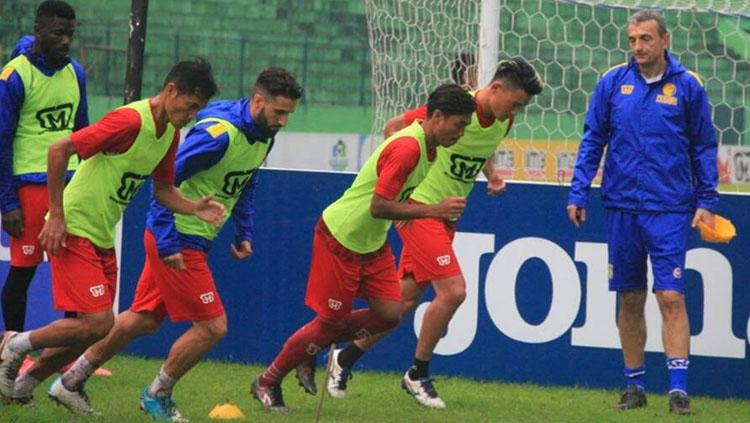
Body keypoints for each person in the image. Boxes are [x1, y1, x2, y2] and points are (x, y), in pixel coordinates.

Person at [42, 67, 304, 419]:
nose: (284, 121)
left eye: (288, 114)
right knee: (213, 327)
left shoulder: (263, 133)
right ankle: (157, 393)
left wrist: (244, 232)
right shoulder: (217, 135)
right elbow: (163, 186)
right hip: (178, 238)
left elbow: (244, 183)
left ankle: (71, 381)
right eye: (279, 112)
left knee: (142, 320)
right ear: (259, 101)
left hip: (192, 237)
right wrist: (168, 242)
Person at [0, 58, 224, 408]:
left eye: (200, 109)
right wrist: (56, 215)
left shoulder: (169, 134)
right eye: (191, 105)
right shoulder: (130, 120)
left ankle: (23, 385)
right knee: (99, 321)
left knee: (97, 329)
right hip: (74, 228)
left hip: (101, 235)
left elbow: (163, 190)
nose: (192, 114)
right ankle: (15, 344)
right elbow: (59, 150)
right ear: (170, 91)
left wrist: (194, 207)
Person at [325, 58, 543, 408]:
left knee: (403, 302)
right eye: (514, 103)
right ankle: (417, 373)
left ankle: (344, 357)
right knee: (454, 291)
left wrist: (493, 174)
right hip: (420, 208)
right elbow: (395, 128)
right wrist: (401, 182)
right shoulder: (455, 106)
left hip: (446, 217)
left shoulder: (504, 119)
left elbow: (477, 146)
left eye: (520, 107)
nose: (515, 111)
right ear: (497, 89)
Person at [250, 84, 475, 413]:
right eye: (459, 124)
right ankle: (268, 380)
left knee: (390, 314)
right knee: (331, 321)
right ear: (438, 117)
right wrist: (433, 210)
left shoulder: (427, 142)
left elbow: (394, 131)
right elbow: (378, 206)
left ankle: (313, 348)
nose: (462, 132)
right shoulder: (409, 149)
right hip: (341, 238)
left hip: (372, 244)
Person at [566, 10, 718, 416]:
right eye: (632, 39)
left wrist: (706, 202)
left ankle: (678, 390)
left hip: (669, 208)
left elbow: (703, 146)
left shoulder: (688, 86)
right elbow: (593, 138)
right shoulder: (613, 82)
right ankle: (634, 386)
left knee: (670, 295)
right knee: (630, 297)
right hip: (621, 206)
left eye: (646, 39)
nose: (638, 46)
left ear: (664, 40)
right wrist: (578, 191)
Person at [0, 1, 91, 373]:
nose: (66, 41)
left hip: (70, 187)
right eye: (58, 33)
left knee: (71, 269)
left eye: (70, 34)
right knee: (23, 271)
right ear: (39, 29)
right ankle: (12, 350)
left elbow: (84, 131)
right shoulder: (14, 76)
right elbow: (2, 141)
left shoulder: (77, 73)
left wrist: (87, 178)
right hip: (30, 188)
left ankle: (62, 356)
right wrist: (7, 202)